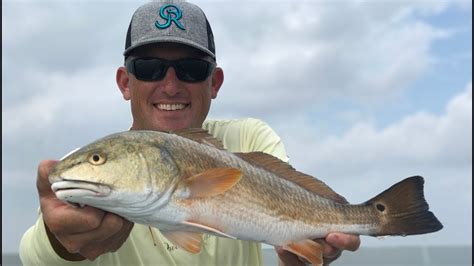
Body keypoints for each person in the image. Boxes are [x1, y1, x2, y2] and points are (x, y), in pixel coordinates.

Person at [19, 0, 360, 265]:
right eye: (150, 68)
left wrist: (301, 257)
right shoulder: (82, 175)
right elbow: (37, 256)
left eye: (191, 70)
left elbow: (289, 200)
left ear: (214, 83)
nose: (170, 86)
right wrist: (61, 244)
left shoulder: (250, 137)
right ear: (125, 82)